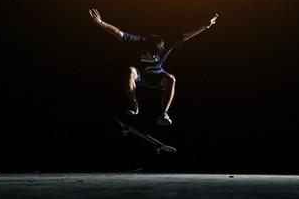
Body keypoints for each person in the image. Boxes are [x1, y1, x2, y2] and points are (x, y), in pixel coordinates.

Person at [89, 8, 218, 125]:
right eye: (149, 55)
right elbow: (118, 32)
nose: (152, 57)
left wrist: (206, 26)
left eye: (155, 55)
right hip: (139, 75)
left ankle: (163, 114)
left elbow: (187, 35)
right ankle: (134, 105)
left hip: (156, 75)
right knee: (129, 71)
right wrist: (101, 23)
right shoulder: (137, 41)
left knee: (171, 79)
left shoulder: (168, 43)